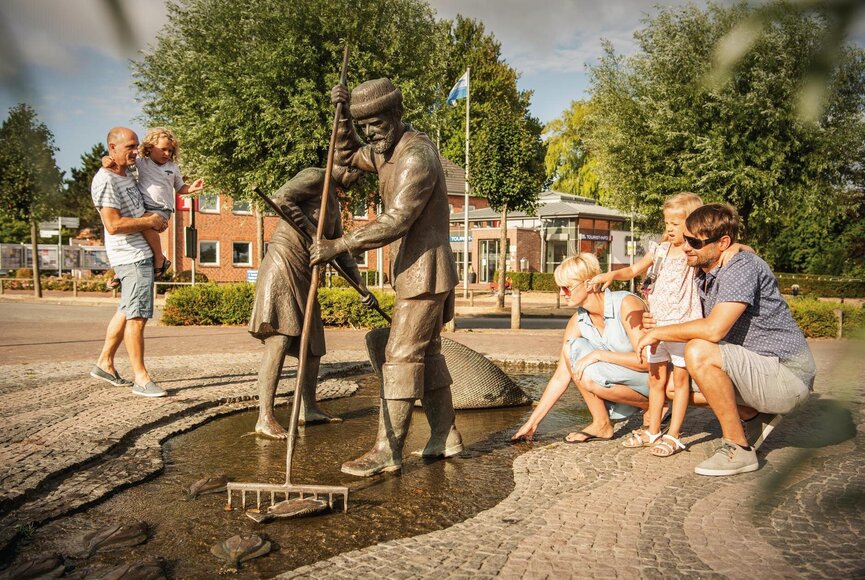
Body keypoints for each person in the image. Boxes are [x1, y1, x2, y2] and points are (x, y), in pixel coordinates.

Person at [310, 78, 463, 477]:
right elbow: (346, 154)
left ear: (396, 115)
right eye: (366, 126)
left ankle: (387, 449)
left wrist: (340, 244)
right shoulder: (385, 150)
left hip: (426, 273)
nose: (371, 134)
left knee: (399, 357)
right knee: (425, 355)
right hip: (413, 273)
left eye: (376, 124)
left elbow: (397, 220)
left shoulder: (416, 157)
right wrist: (341, 115)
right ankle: (445, 435)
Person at [637, 203, 815, 476]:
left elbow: (714, 330)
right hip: (759, 369)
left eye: (694, 242)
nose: (686, 247)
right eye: (685, 239)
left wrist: (658, 332)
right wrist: (655, 321)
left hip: (787, 375)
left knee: (698, 351)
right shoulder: (705, 268)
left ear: (723, 243)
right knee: (674, 388)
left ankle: (738, 448)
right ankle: (754, 416)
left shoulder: (741, 266)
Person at [250, 165, 376, 438]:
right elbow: (281, 198)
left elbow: (339, 249)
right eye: (361, 173)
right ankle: (265, 417)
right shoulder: (317, 176)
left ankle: (308, 407)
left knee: (313, 345)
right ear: (347, 166)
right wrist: (312, 233)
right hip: (284, 265)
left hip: (307, 274)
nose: (362, 180)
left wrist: (361, 287)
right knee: (280, 339)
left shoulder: (334, 199)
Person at [589, 193, 704, 457]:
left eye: (676, 223)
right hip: (656, 328)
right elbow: (632, 271)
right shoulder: (660, 251)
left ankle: (674, 434)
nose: (670, 228)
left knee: (681, 380)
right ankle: (653, 429)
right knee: (656, 379)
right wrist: (611, 275)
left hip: (682, 325)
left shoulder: (692, 253)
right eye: (667, 223)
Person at [512, 253, 650, 443]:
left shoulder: (626, 304)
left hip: (651, 381)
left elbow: (647, 362)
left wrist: (598, 355)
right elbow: (561, 376)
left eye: (567, 288)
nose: (562, 293)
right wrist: (533, 423)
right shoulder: (578, 320)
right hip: (620, 383)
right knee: (572, 351)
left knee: (589, 373)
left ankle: (654, 407)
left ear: (588, 284)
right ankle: (601, 423)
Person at [89, 127, 168, 398]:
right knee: (138, 317)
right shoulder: (106, 181)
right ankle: (141, 379)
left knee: (126, 310)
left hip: (139, 254)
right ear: (112, 148)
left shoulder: (128, 172)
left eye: (136, 146)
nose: (135, 151)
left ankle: (105, 363)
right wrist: (150, 221)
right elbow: (112, 225)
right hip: (131, 257)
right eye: (129, 147)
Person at [104, 127, 204, 286]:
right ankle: (121, 269)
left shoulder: (172, 168)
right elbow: (120, 162)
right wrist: (106, 159)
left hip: (161, 208)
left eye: (170, 151)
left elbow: (180, 188)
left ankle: (159, 257)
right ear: (150, 148)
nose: (167, 154)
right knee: (131, 231)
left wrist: (191, 188)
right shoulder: (141, 162)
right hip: (141, 206)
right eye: (163, 149)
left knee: (146, 225)